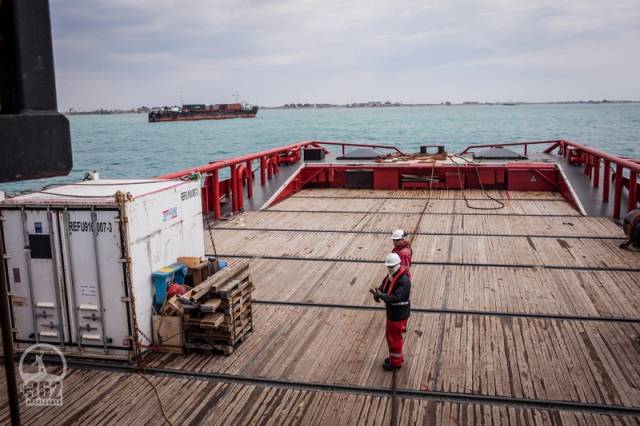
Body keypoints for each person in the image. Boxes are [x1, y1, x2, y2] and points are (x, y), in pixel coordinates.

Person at [373, 253, 411, 371]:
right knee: (391, 337)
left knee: (394, 339)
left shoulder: (404, 280)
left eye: (392, 266)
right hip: (393, 313)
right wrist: (378, 292)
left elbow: (396, 298)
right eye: (388, 266)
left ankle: (395, 363)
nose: (390, 268)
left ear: (398, 264)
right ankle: (396, 357)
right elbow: (384, 285)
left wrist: (382, 296)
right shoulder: (392, 276)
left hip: (398, 314)